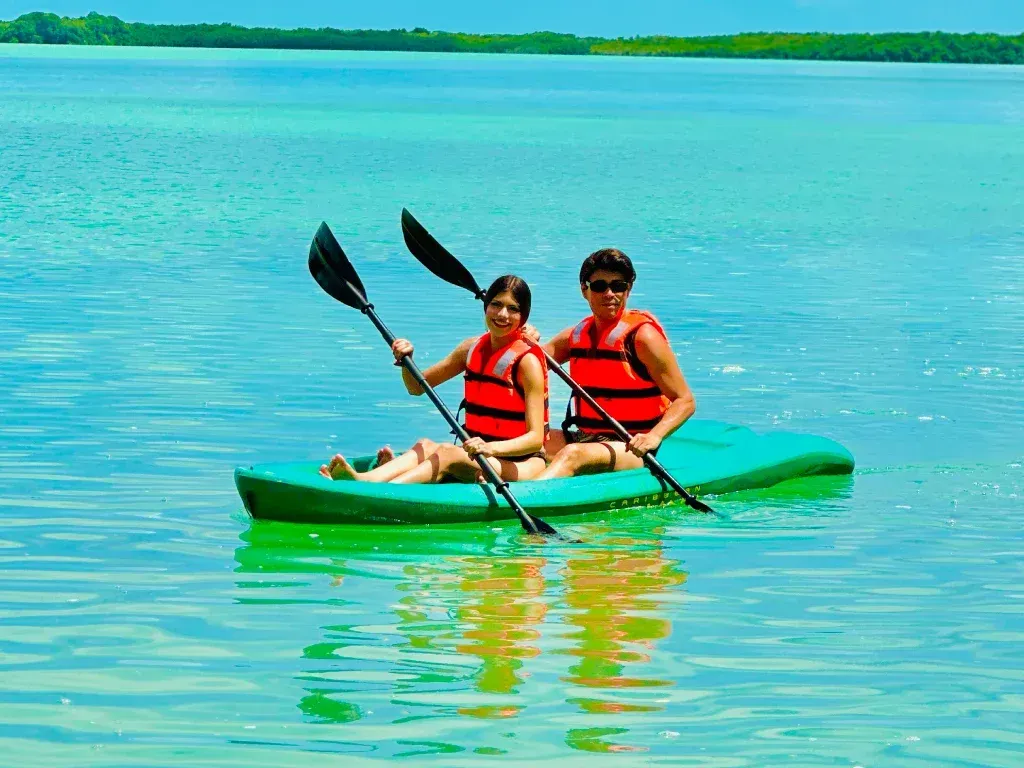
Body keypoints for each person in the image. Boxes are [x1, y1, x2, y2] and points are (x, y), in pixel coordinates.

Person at [320, 275, 549, 484]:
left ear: (523, 316)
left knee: (448, 453)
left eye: (513, 309)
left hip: (522, 462)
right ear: (486, 307)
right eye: (496, 305)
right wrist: (406, 361)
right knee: (425, 445)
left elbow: (535, 439)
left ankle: (384, 491)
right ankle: (365, 479)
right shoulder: (471, 348)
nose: (502, 315)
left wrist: (490, 448)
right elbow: (416, 388)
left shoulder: (527, 362)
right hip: (478, 453)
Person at [534, 248, 695, 479]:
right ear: (584, 290)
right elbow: (527, 362)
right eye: (599, 286)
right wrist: (523, 337)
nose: (609, 294)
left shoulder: (643, 337)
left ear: (628, 289)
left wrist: (654, 437)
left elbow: (685, 400)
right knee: (519, 441)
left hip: (630, 445)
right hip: (585, 437)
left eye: (618, 286)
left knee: (573, 454)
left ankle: (525, 499)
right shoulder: (576, 336)